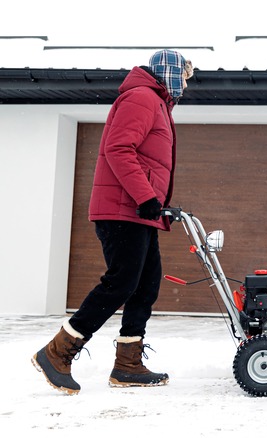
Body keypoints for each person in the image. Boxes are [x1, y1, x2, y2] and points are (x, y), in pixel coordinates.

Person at [31, 50, 194, 395]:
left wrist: (155, 203)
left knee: (145, 286)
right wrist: (146, 197)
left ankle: (128, 365)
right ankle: (58, 352)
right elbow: (120, 149)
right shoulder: (141, 98)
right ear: (170, 72)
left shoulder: (156, 103)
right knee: (121, 282)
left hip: (138, 212)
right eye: (184, 76)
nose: (185, 85)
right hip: (123, 210)